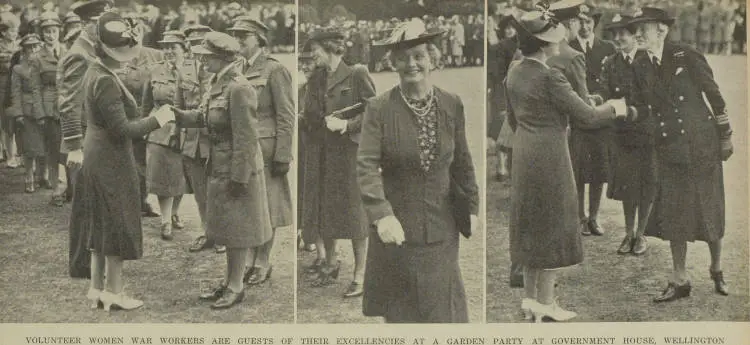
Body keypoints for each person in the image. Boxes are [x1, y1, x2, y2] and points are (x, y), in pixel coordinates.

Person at [505, 7, 630, 322]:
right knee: (552, 223)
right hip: (549, 154)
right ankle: (546, 304)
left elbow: (512, 118)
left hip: (524, 152)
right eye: (553, 38)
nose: (558, 41)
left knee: (532, 223)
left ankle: (531, 300)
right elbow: (586, 116)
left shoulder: (515, 71)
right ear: (545, 44)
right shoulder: (550, 75)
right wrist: (617, 107)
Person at [357, 18, 479, 323]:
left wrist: (473, 206)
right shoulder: (379, 108)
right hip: (397, 231)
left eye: (419, 56)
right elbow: (367, 165)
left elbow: (463, 161)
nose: (411, 64)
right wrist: (382, 214)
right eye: (403, 58)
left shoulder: (452, 104)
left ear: (433, 59)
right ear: (393, 62)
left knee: (443, 313)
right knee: (403, 315)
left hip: (442, 227)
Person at [628, 7, 732, 303]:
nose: (638, 34)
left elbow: (715, 97)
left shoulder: (686, 55)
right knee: (674, 212)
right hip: (669, 147)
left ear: (661, 29)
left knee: (709, 207)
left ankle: (717, 268)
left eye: (643, 28)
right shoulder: (641, 64)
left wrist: (726, 136)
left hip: (701, 144)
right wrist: (619, 111)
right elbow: (641, 106)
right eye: (635, 28)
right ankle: (679, 278)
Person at [76, 10, 174, 311]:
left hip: (97, 153)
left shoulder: (96, 72)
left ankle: (97, 289)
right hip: (110, 159)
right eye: (120, 51)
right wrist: (157, 119)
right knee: (116, 222)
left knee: (100, 223)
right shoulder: (105, 80)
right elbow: (122, 130)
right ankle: (114, 294)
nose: (126, 56)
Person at [173, 31, 273, 309]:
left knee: (238, 230)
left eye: (207, 57)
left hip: (237, 170)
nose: (203, 62)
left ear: (221, 57)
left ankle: (236, 286)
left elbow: (246, 137)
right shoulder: (218, 82)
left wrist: (239, 177)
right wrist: (181, 117)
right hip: (219, 165)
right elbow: (207, 116)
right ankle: (230, 281)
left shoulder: (239, 87)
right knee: (228, 229)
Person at [299, 29, 376, 298]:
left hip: (348, 155)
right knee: (325, 210)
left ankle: (361, 274)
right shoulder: (316, 79)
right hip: (321, 154)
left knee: (355, 215)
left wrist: (347, 124)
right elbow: (310, 117)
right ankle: (330, 264)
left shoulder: (356, 73)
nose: (312, 56)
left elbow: (373, 111)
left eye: (316, 50)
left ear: (330, 48)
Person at [228, 16, 295, 286]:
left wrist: (282, 153)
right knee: (250, 205)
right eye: (236, 34)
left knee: (270, 206)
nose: (239, 39)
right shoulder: (236, 68)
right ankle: (250, 259)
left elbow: (286, 114)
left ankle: (263, 261)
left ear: (259, 38)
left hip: (267, 150)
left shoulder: (274, 69)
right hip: (244, 149)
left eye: (244, 34)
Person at [61, 0, 113, 280]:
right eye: (100, 23)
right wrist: (74, 145)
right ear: (88, 24)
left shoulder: (91, 51)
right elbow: (68, 103)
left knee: (91, 201)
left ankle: (86, 260)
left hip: (92, 137)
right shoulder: (78, 54)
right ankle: (81, 263)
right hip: (82, 140)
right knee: (83, 204)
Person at [599, 11, 654, 256]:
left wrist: (634, 111)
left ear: (634, 35)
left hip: (646, 132)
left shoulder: (648, 60)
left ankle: (641, 234)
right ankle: (628, 232)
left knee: (646, 184)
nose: (619, 38)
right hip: (622, 133)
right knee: (628, 186)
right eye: (615, 34)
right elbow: (605, 91)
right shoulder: (611, 63)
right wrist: (599, 100)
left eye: (623, 33)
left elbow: (655, 100)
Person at [564, 1, 616, 237]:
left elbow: (612, 81)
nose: (584, 26)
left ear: (595, 22)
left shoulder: (607, 48)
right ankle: (579, 217)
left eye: (588, 21)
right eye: (580, 21)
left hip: (600, 117)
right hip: (576, 118)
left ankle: (593, 217)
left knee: (598, 169)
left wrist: (601, 98)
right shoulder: (567, 47)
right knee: (578, 169)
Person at [140, 30, 194, 240]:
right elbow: (146, 104)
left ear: (184, 48)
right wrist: (143, 128)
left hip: (187, 128)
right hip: (160, 129)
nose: (169, 51)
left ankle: (174, 213)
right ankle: (165, 221)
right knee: (164, 176)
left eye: (174, 47)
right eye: (166, 47)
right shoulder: (154, 71)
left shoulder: (194, 70)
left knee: (182, 175)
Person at [183, 23, 225, 254]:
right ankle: (206, 232)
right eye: (191, 43)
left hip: (214, 140)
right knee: (200, 192)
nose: (195, 48)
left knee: (216, 191)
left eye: (200, 42)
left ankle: (221, 235)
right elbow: (179, 106)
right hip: (191, 140)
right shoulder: (184, 69)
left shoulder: (218, 69)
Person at [33, 13, 64, 205]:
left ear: (59, 31)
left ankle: (71, 187)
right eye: (46, 32)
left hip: (67, 105)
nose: (50, 35)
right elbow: (36, 87)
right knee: (53, 150)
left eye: (53, 31)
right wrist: (40, 113)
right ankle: (57, 191)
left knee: (70, 148)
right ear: (42, 34)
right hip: (49, 106)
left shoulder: (68, 51)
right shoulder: (37, 58)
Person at [10, 34, 45, 193]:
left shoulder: (44, 65)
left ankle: (43, 175)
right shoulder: (18, 69)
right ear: (23, 50)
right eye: (29, 47)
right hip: (28, 111)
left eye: (35, 46)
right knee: (30, 147)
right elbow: (15, 92)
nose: (33, 49)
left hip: (44, 109)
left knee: (44, 145)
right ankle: (29, 176)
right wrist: (18, 114)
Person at [0, 12, 20, 168]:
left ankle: (15, 153)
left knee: (14, 121)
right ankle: (9, 155)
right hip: (1, 87)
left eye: (16, 30)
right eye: (12, 31)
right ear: (3, 32)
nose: (14, 34)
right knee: (5, 123)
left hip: (15, 87)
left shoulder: (20, 46)